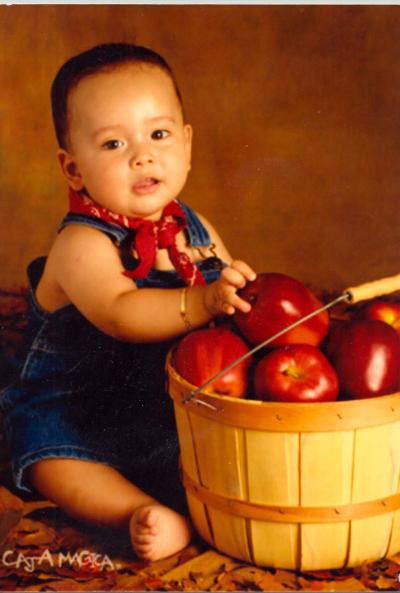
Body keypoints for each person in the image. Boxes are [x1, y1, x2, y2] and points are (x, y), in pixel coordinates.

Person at [0, 43, 256, 561]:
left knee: (215, 448)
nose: (143, 154)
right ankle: (133, 511)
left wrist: (240, 295)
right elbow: (120, 312)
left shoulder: (198, 230)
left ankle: (179, 490)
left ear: (186, 144)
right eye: (114, 143)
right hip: (78, 408)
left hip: (163, 414)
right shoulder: (81, 245)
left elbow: (227, 311)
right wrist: (204, 300)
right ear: (73, 169)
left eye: (159, 135)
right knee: (52, 457)